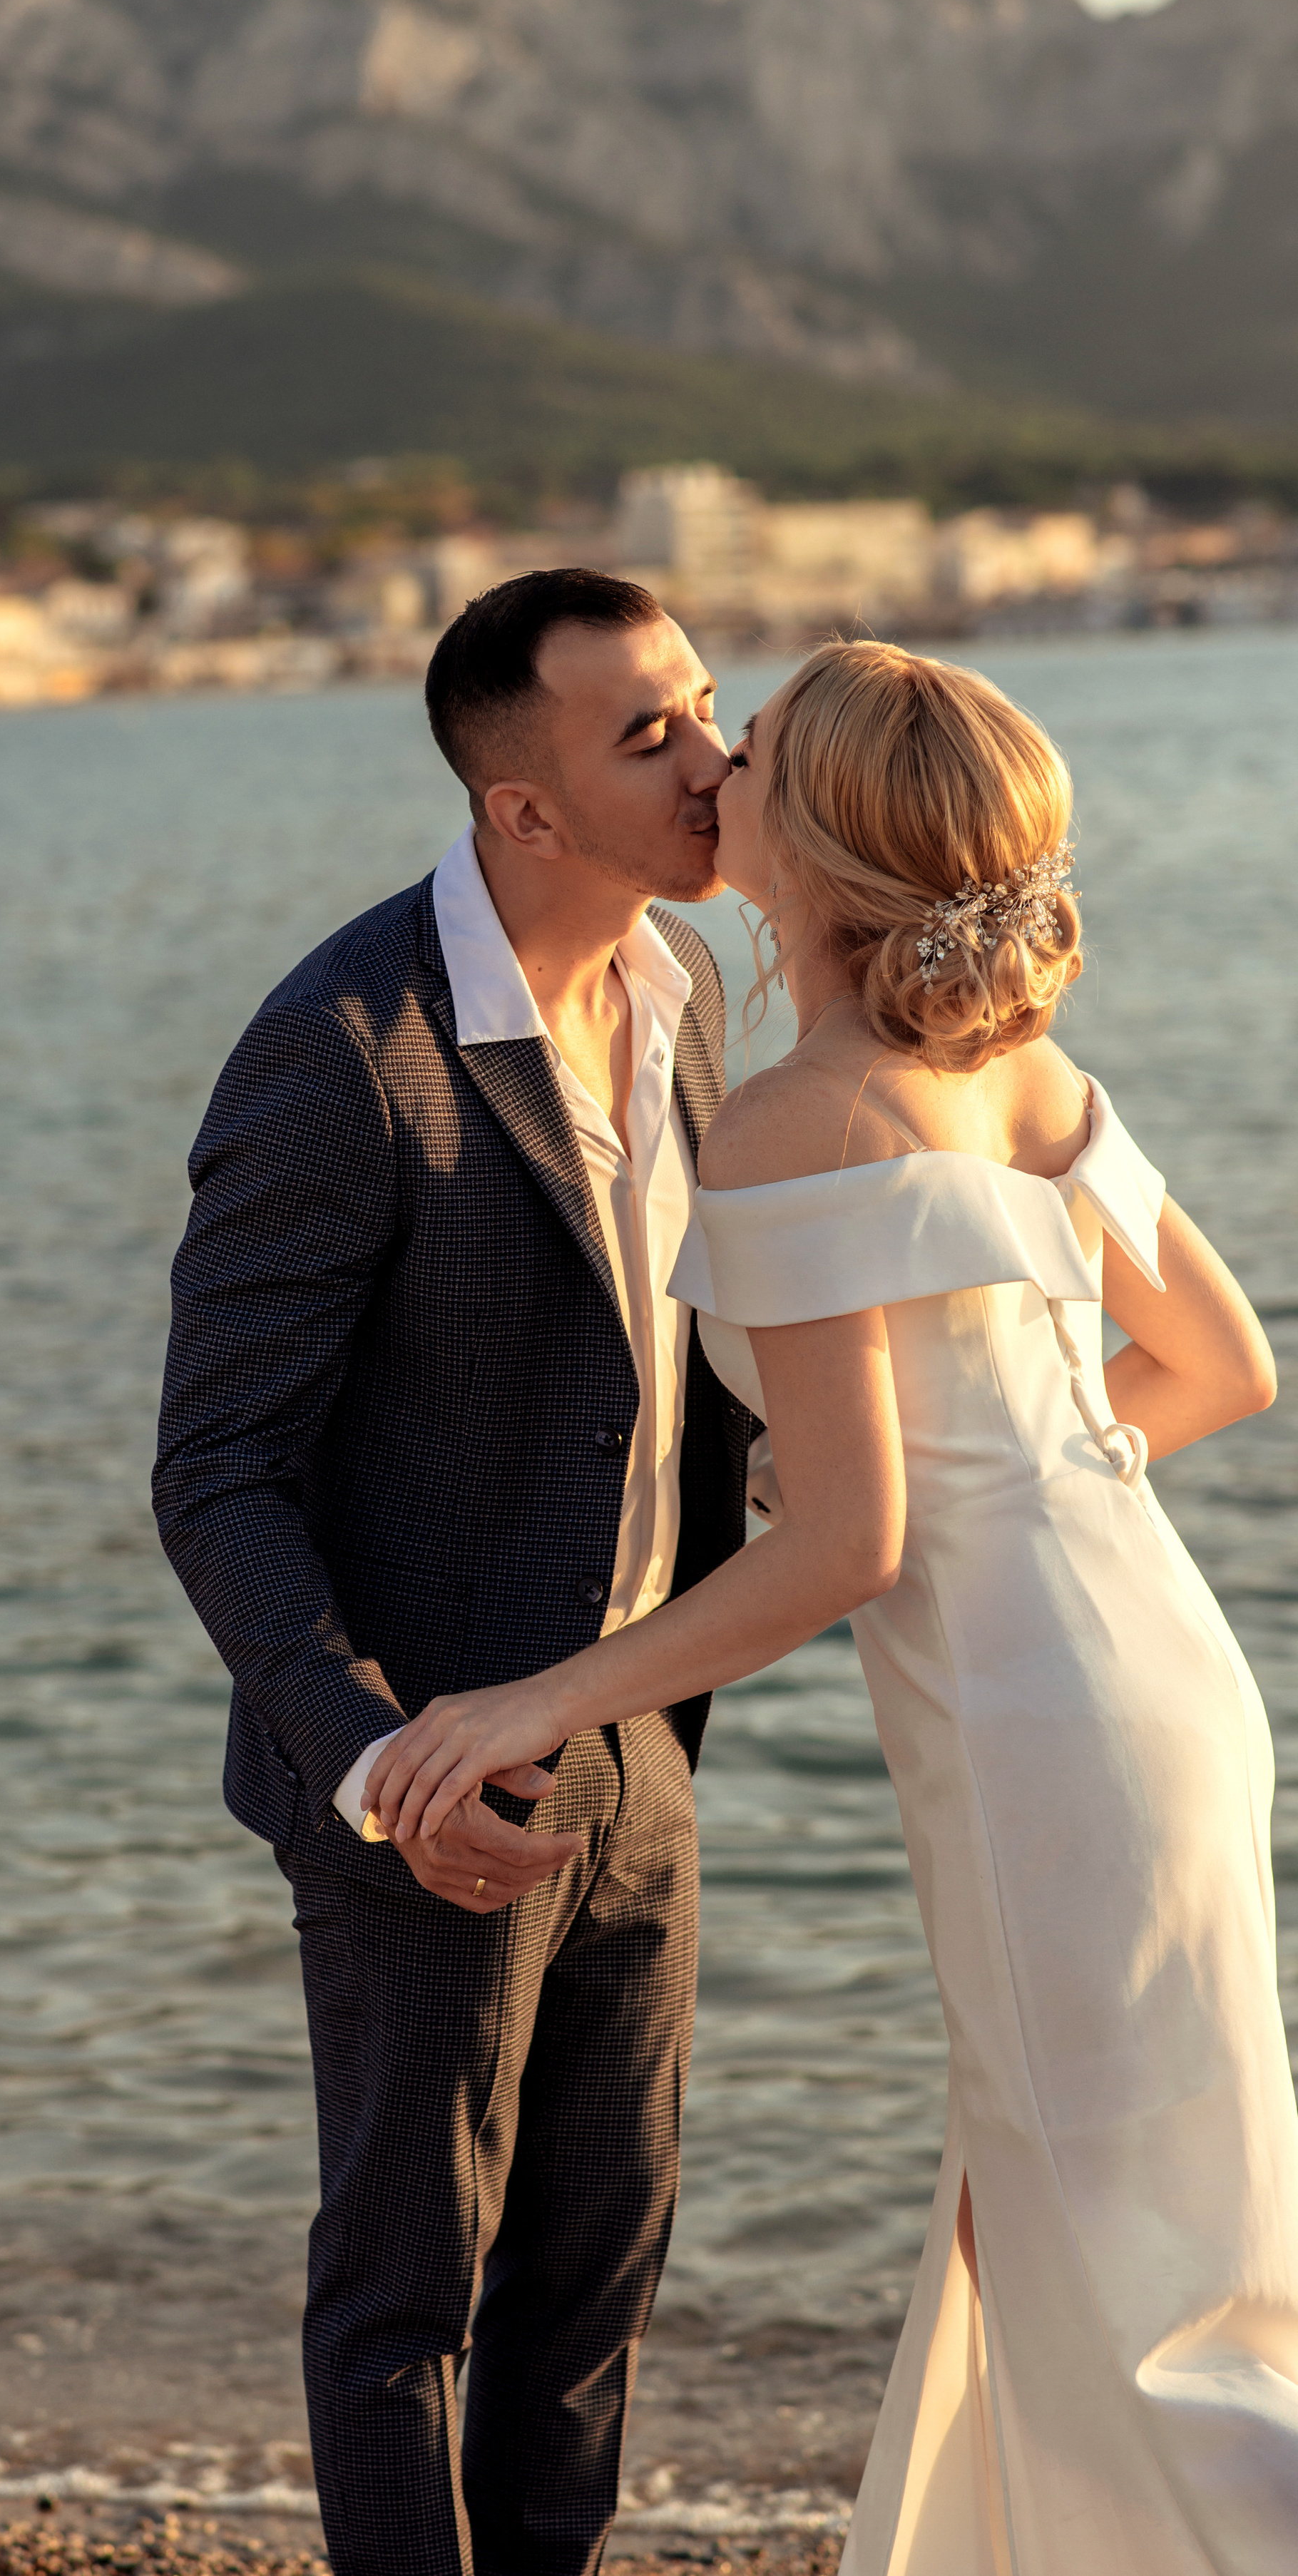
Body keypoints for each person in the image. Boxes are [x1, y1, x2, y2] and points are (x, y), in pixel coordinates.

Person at [369, 636, 1298, 2572]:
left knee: (1147, 2302)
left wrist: (537, 1696)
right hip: (1160, 1674)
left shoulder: (799, 1112)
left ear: (815, 827)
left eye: (752, 745)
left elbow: (846, 1547)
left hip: (1046, 1731)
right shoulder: (1018, 1069)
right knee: (1140, 2229)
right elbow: (1219, 1368)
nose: (714, 762)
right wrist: (1019, 1482)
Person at [152, 568, 759, 2576]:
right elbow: (216, 1472)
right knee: (409, 2288)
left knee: (596, 2281)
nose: (714, 755)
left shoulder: (688, 1000)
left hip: (636, 1741)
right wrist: (374, 1760)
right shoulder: (344, 1049)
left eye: (703, 702)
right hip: (423, 1774)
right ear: (525, 808)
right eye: (649, 733)